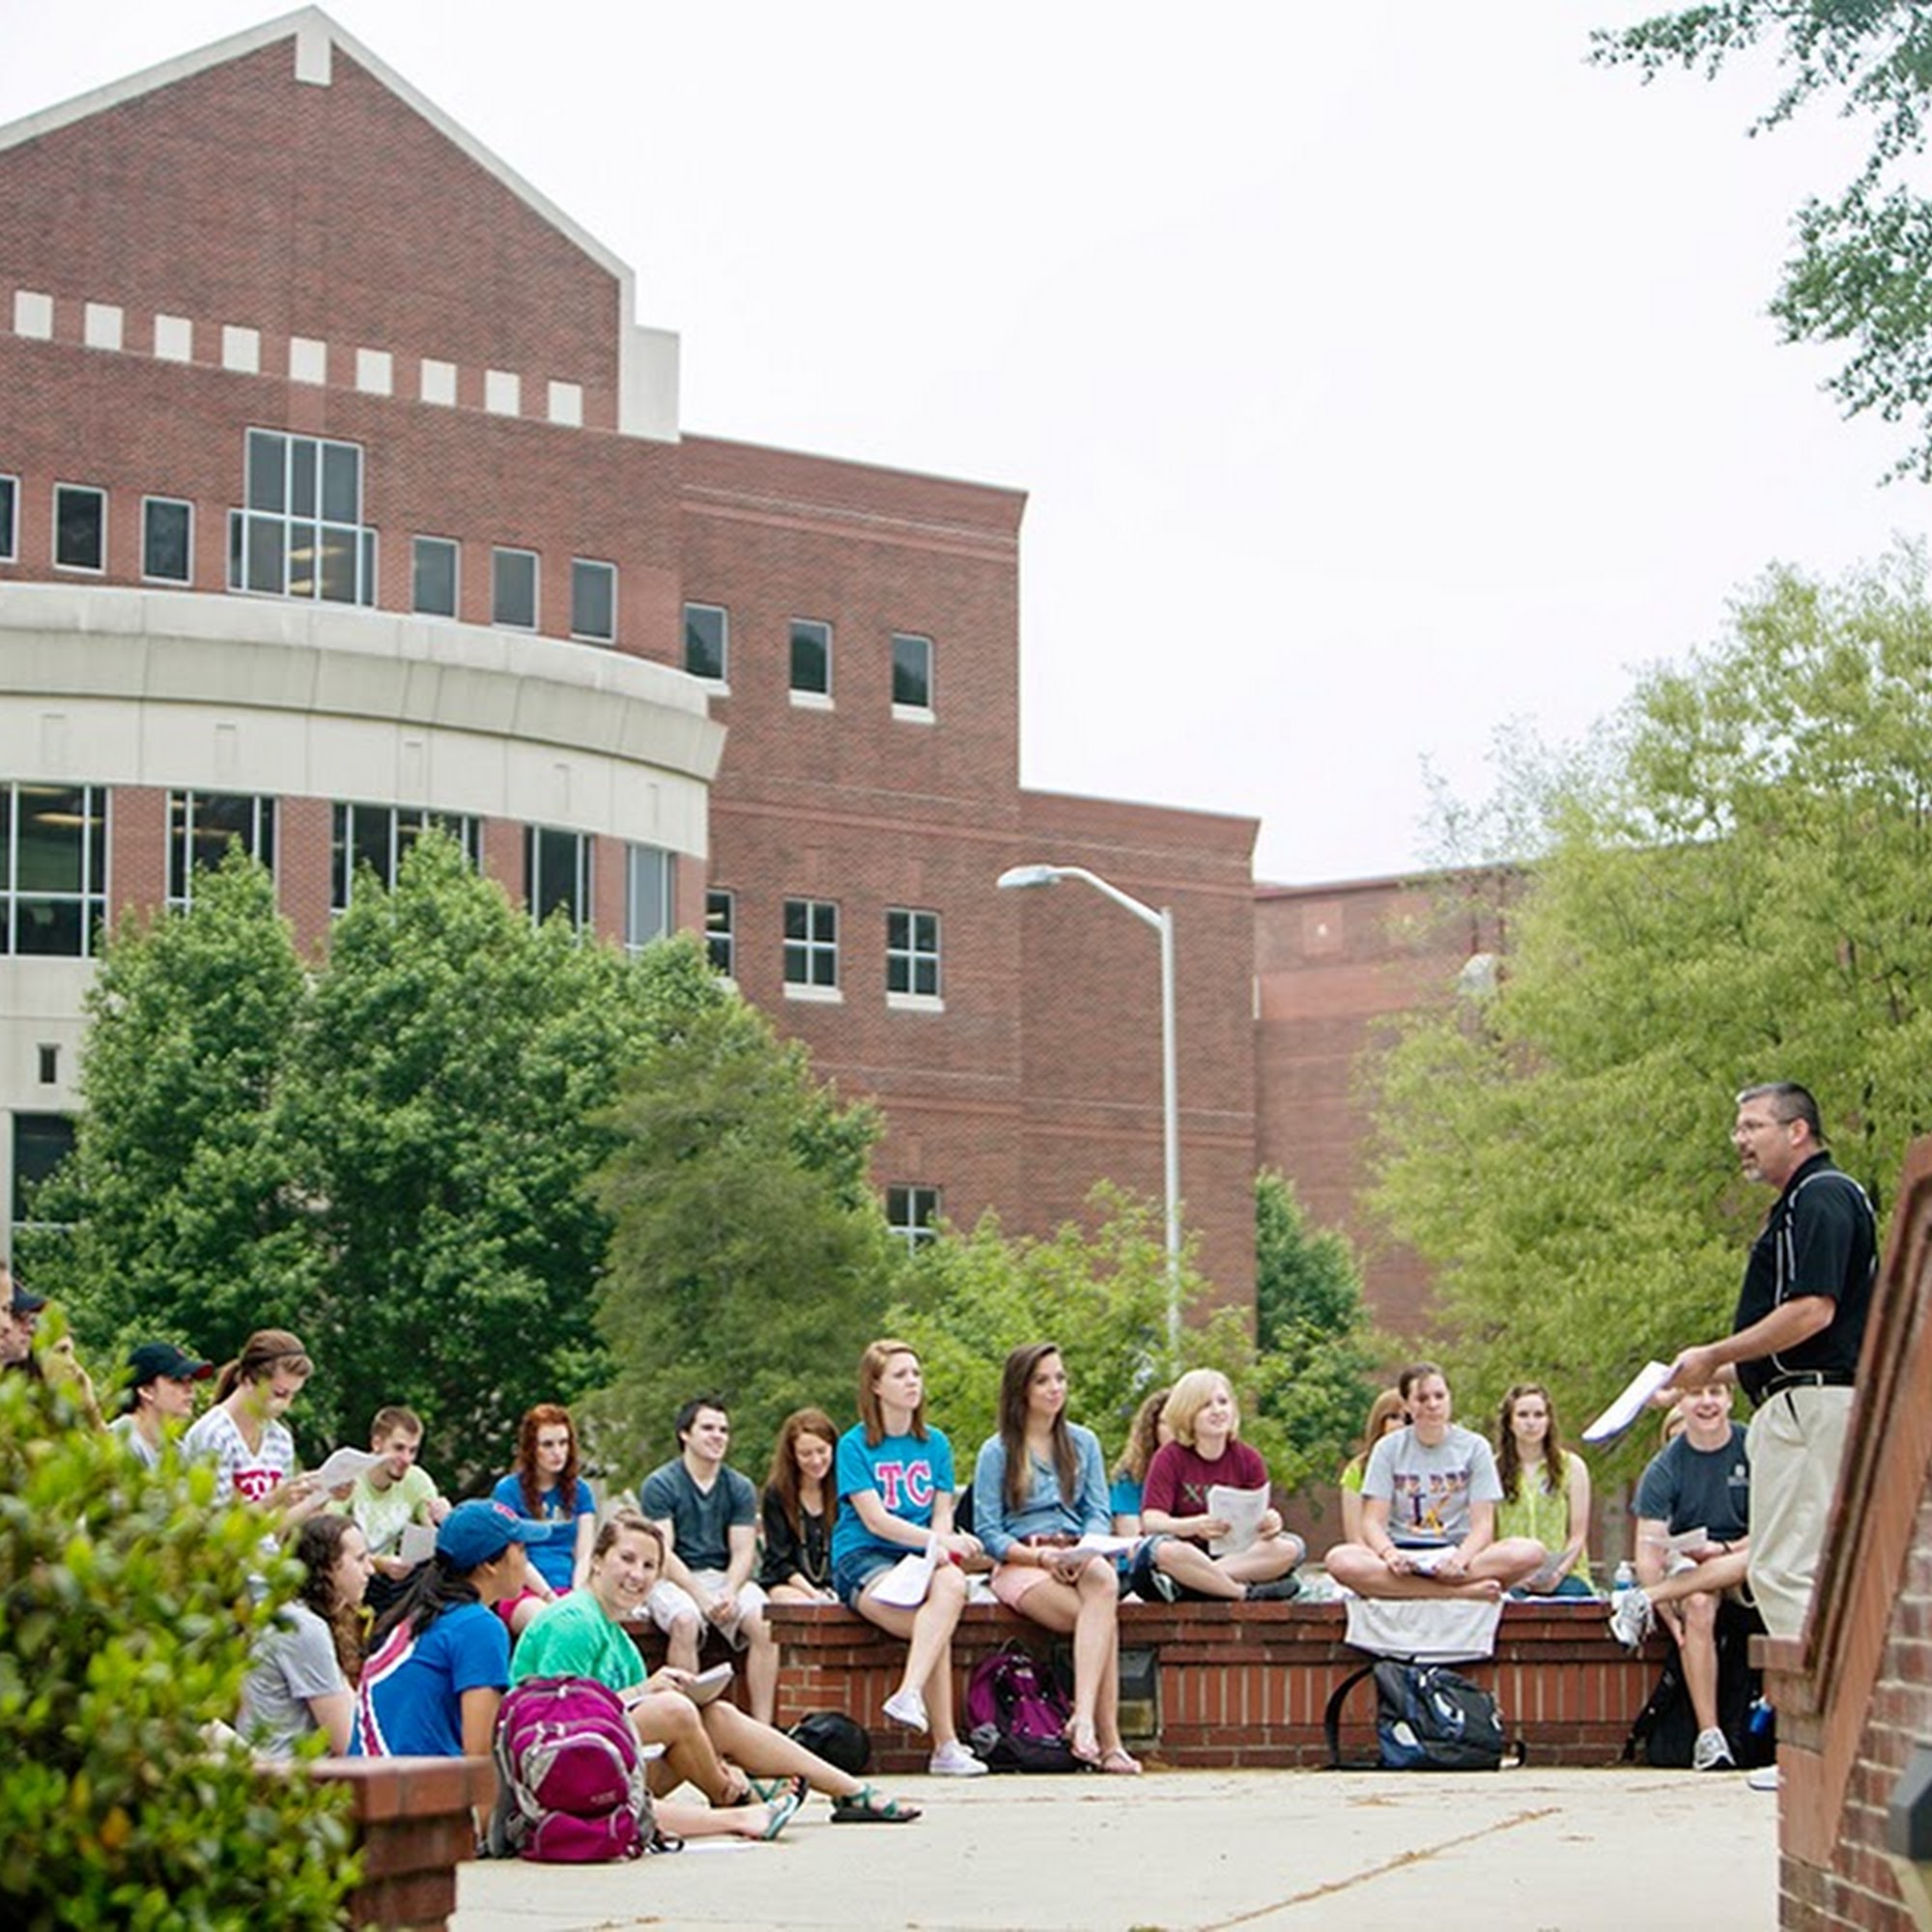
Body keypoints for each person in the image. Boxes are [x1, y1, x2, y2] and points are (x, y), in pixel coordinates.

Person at [512, 1512, 916, 1829]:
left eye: (650, 1565)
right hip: (552, 1781)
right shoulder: (573, 1621)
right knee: (674, 1710)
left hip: (604, 1771)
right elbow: (557, 1725)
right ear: (597, 1561)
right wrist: (646, 1693)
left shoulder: (618, 1639)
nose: (638, 1574)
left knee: (715, 1715)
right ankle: (731, 1795)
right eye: (627, 1559)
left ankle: (849, 1790)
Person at [1661, 1082, 1877, 1654]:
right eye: (1739, 1129)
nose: (1740, 1141)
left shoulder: (1822, 1196)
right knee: (1797, 1565)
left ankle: (1819, 1727)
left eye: (1753, 1127)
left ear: (1797, 1130)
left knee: (1785, 1569)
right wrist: (1702, 1373)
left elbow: (1812, 1312)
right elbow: (1795, 1344)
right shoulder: (1803, 1202)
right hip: (1804, 1397)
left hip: (1813, 1408)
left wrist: (1716, 1355)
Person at [973, 1343, 1141, 1773]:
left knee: (1102, 1582)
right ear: (1021, 1389)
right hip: (1023, 1561)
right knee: (1103, 1620)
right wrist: (1043, 1558)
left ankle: (1083, 1721)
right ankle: (1109, 1742)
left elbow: (1098, 1512)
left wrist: (1086, 1548)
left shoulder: (1083, 1443)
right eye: (1043, 1380)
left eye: (1060, 1378)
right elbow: (989, 1532)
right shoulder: (998, 1451)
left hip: (1078, 1553)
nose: (1055, 1388)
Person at [831, 1337, 985, 1776]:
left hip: (918, 1558)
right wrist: (940, 1545)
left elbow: (941, 1514)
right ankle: (946, 1746)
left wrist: (940, 1550)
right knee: (935, 1626)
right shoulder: (854, 1445)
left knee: (951, 1586)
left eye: (916, 1373)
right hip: (863, 1558)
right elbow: (876, 1521)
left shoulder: (935, 1444)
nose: (912, 1382)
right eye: (900, 1375)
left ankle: (909, 1695)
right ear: (875, 1386)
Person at [1606, 1382, 1754, 1772]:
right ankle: (1710, 1738)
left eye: (1715, 1392)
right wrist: (1671, 1618)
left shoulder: (1753, 1446)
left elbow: (1775, 1525)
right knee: (1699, 1603)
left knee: (1757, 1556)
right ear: (1678, 1403)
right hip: (1690, 1564)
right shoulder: (1665, 1467)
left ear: (1729, 1399)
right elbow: (1649, 1548)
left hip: (1744, 1558)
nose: (1706, 1402)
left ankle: (1647, 1598)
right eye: (1694, 1394)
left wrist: (1723, 1551)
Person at [1324, 1362, 1546, 1601]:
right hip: (1402, 1552)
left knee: (1530, 1552)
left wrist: (1458, 1560)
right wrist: (1389, 1554)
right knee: (1341, 1560)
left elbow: (1483, 1524)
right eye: (1422, 1398)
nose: (1433, 1405)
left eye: (1439, 1396)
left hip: (1456, 1551)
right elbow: (1372, 1521)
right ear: (1408, 1405)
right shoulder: (1387, 1449)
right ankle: (1460, 1593)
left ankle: (1409, 1590)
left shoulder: (1475, 1447)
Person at [353, 1497, 539, 1760]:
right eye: (521, 1550)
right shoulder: (479, 1627)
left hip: (370, 1785)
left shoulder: (420, 1613)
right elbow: (479, 1756)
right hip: (408, 1791)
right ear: (489, 1564)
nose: (526, 1562)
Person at [639, 1395, 780, 1724]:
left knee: (765, 1622)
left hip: (724, 1576)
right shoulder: (660, 1484)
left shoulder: (739, 1486)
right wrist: (701, 1598)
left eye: (724, 1429)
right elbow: (663, 1553)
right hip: (673, 1578)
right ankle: (690, 1727)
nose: (718, 1436)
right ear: (685, 1434)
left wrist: (730, 1591)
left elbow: (744, 1550)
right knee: (685, 1621)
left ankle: (763, 1727)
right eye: (708, 1428)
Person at [1136, 1369, 1304, 1602]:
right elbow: (1152, 1521)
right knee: (1161, 1551)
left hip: (1237, 1556)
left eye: (1223, 1402)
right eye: (1205, 1405)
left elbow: (1259, 1517)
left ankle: (1193, 1584)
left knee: (1291, 1547)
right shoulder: (1169, 1457)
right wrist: (1194, 1526)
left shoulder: (1249, 1458)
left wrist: (1270, 1522)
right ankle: (1243, 1593)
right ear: (1187, 1413)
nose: (1217, 1411)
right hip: (1186, 1553)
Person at [241, 1514, 373, 1756]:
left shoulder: (299, 1615)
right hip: (286, 1778)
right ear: (328, 1567)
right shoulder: (303, 1626)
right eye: (360, 1559)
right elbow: (347, 1742)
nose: (371, 1570)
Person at [183, 1328, 330, 1524]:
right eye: (279, 1393)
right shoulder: (214, 1434)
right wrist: (271, 1501)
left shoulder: (279, 1437)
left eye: (293, 1395)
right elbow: (212, 1527)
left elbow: (277, 1526)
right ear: (247, 1380)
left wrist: (316, 1496)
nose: (286, 1404)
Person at [491, 1404, 597, 1634]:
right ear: (531, 1448)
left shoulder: (582, 1491)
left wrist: (577, 1595)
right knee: (554, 1625)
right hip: (524, 1589)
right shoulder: (508, 1491)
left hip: (571, 1587)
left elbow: (584, 1553)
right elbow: (516, 1554)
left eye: (563, 1443)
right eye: (548, 1444)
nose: (558, 1452)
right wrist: (549, 1597)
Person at [335, 1406, 451, 1615]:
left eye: (413, 1451)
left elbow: (434, 1535)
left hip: (393, 1580)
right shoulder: (349, 1476)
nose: (406, 1459)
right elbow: (330, 1542)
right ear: (377, 1444)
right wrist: (379, 1564)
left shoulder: (417, 1480)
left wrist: (447, 1520)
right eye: (399, 1448)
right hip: (352, 1572)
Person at [1492, 1382, 1596, 1597]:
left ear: (1548, 1420)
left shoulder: (1572, 1466)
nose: (1531, 1423)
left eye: (1538, 1415)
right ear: (1509, 1422)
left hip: (1565, 1574)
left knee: (1573, 1600)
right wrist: (1511, 1575)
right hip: (1513, 1577)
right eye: (1523, 1415)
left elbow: (1577, 1534)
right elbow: (1489, 1534)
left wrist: (1556, 1574)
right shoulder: (1492, 1470)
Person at [759, 1407, 839, 1603]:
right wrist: (814, 1594)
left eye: (822, 1451)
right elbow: (780, 1559)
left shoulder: (845, 1489)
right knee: (803, 1607)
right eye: (805, 1454)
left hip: (838, 1582)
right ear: (792, 1455)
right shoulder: (776, 1494)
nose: (816, 1460)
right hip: (789, 1583)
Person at [108, 1341, 213, 1469]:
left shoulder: (178, 1452)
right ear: (146, 1391)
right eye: (177, 1380)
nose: (190, 1389)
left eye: (191, 1380)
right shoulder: (118, 1443)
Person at [1337, 1388, 1407, 1546]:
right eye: (1394, 1417)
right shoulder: (1358, 1469)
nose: (1401, 1425)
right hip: (1373, 1555)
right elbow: (1355, 1537)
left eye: (1408, 1419)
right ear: (1380, 1422)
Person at [1109, 1385, 1171, 1536]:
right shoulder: (1132, 1475)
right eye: (1167, 1422)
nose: (1176, 1429)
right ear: (1152, 1428)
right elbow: (1132, 1537)